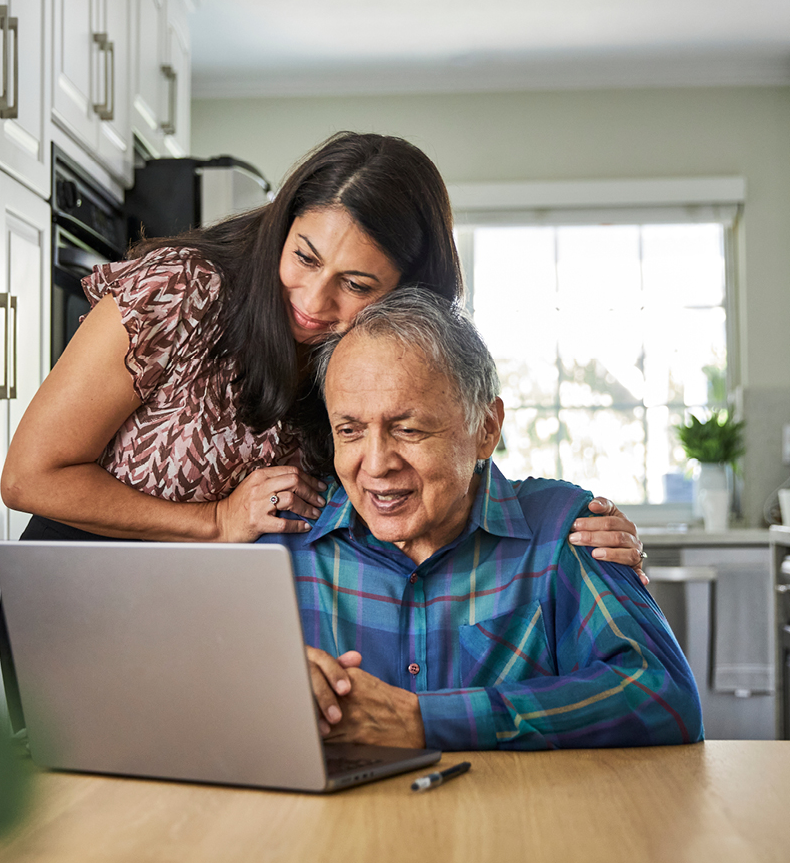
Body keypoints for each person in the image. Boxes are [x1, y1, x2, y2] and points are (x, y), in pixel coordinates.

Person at [1, 131, 643, 564]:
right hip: (80, 588)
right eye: (304, 257)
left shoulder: (378, 359)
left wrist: (574, 536)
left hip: (227, 615)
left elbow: (442, 463)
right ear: (283, 225)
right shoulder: (182, 289)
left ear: (407, 292)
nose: (312, 301)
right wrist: (216, 522)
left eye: (356, 285)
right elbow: (29, 478)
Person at [263, 288, 703, 750]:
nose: (375, 465)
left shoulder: (562, 530)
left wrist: (425, 720)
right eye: (350, 431)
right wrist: (263, 690)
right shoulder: (285, 541)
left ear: (486, 429)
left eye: (408, 430)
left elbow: (665, 696)